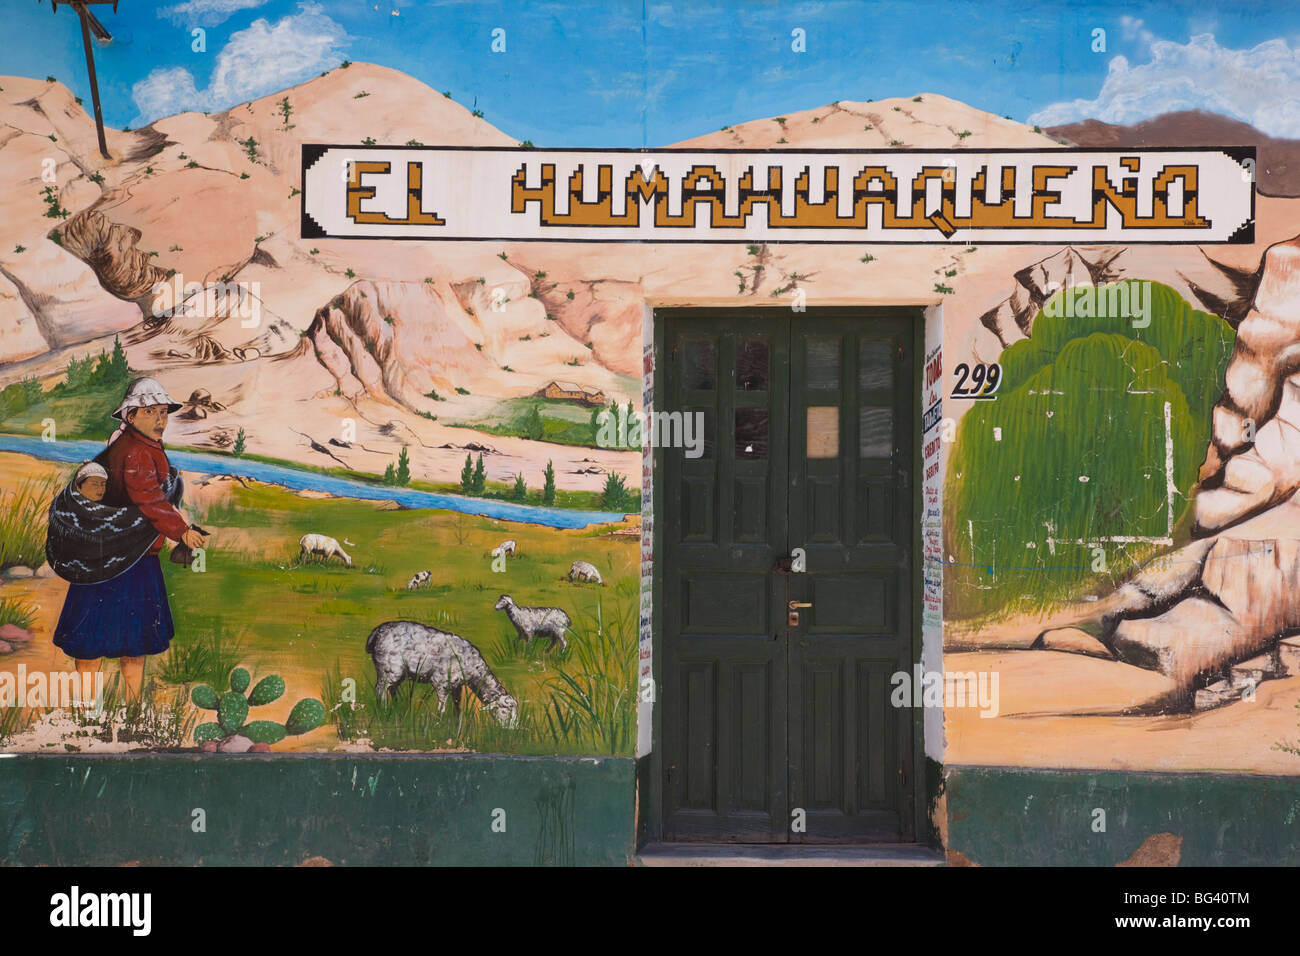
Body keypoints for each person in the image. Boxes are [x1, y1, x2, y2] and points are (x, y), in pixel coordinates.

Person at [51, 378, 209, 701]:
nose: (160, 420)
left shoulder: (135, 445)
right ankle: (110, 709)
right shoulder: (136, 452)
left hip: (114, 558)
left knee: (112, 643)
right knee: (115, 643)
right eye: (150, 411)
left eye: (163, 412)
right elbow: (149, 500)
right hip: (123, 560)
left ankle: (99, 710)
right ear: (132, 416)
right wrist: (182, 531)